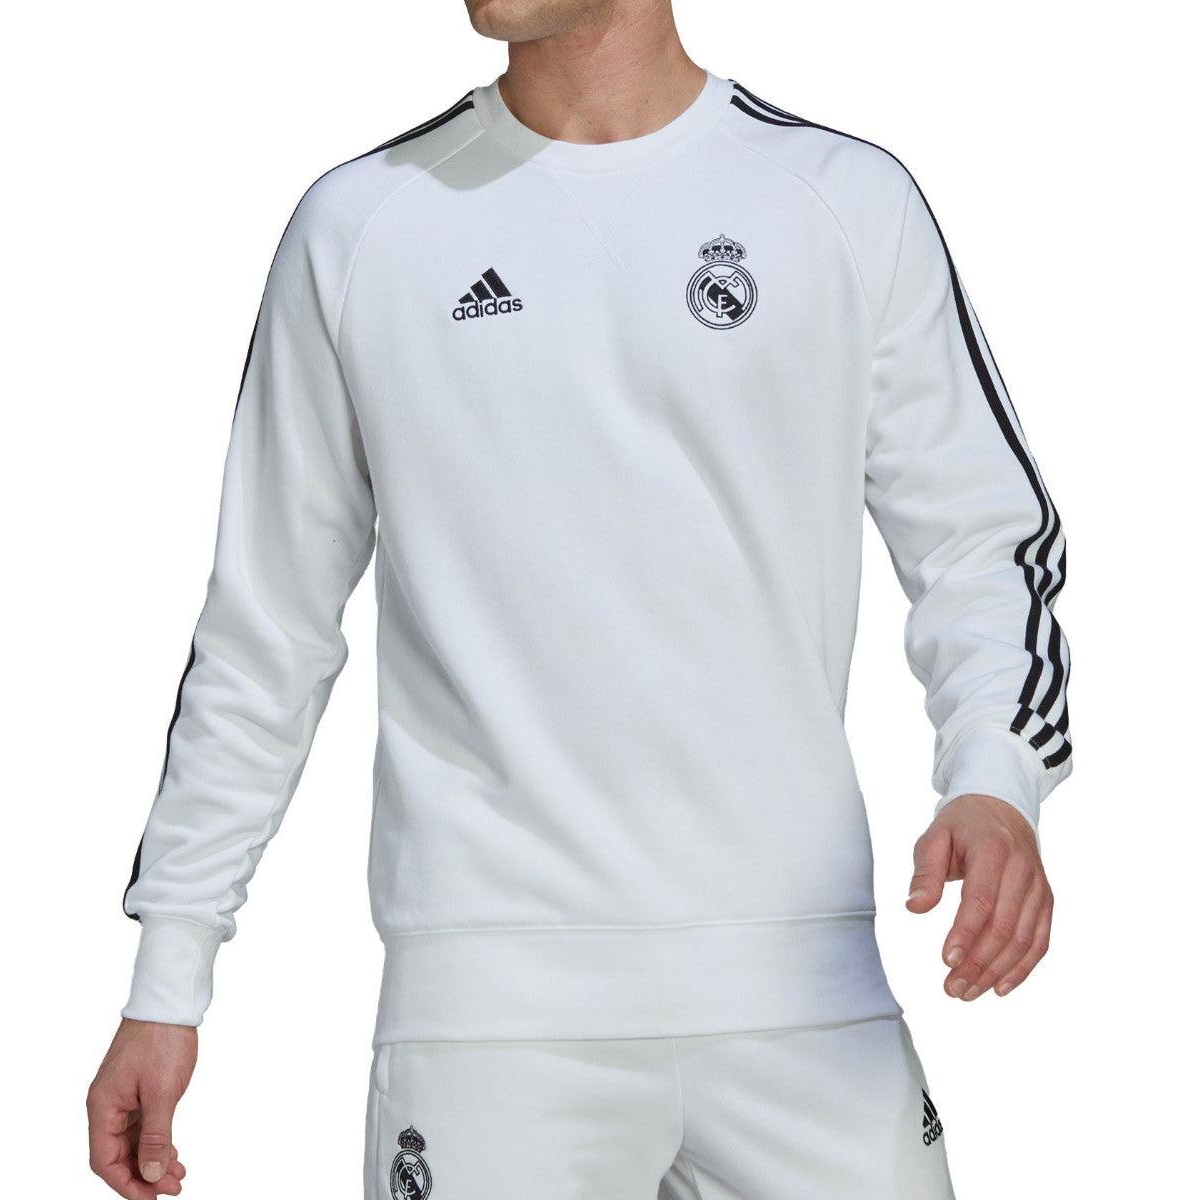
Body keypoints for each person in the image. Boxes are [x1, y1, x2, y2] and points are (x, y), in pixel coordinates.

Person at [86, 1, 1072, 1197]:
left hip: (805, 995)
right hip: (492, 1021)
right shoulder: (364, 226)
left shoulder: (840, 202)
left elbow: (982, 540)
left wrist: (994, 780)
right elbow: (266, 632)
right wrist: (169, 976)